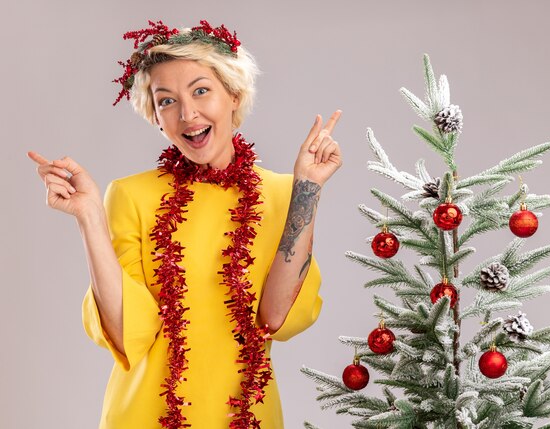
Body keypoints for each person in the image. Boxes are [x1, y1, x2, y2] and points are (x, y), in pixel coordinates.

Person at [28, 20, 342, 429]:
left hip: (246, 416)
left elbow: (274, 318)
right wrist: (90, 218)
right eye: (166, 101)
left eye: (200, 90)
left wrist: (307, 190)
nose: (187, 113)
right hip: (145, 417)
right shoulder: (129, 195)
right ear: (156, 116)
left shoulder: (284, 194)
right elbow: (127, 336)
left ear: (233, 94)